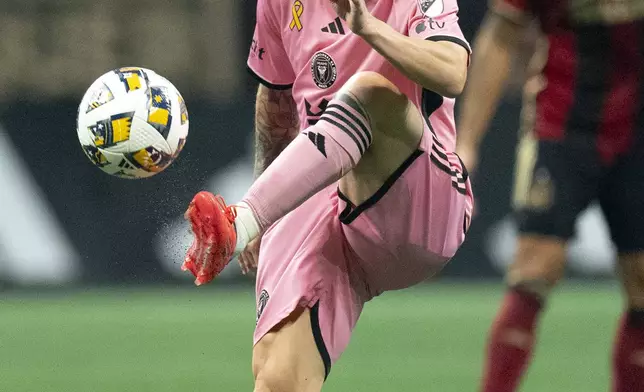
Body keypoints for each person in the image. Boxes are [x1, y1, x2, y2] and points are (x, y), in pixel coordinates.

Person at [183, 0, 473, 390]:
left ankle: (243, 219)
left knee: (369, 92)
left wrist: (369, 28)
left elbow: (452, 72)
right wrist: (268, 211)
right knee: (277, 376)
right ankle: (251, 220)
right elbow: (276, 103)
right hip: (327, 203)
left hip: (421, 199)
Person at [456, 0, 644, 391]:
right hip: (561, 124)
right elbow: (501, 33)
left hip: (638, 133)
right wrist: (468, 141)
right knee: (534, 268)